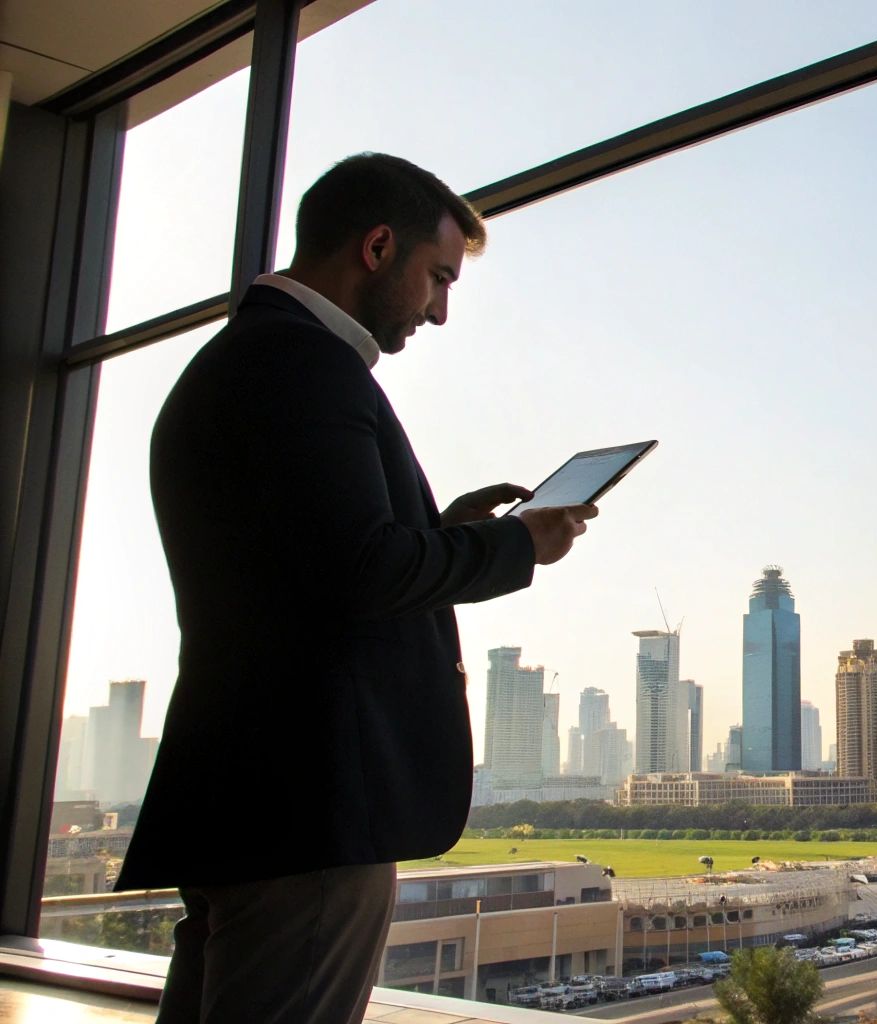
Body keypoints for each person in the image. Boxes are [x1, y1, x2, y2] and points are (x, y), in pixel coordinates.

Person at [114, 152, 598, 1023]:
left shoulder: (239, 362)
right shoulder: (305, 369)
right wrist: (513, 547)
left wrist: (442, 532)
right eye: (437, 277)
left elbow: (306, 568)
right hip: (315, 803)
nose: (441, 310)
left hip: (243, 791)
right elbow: (359, 569)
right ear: (378, 246)